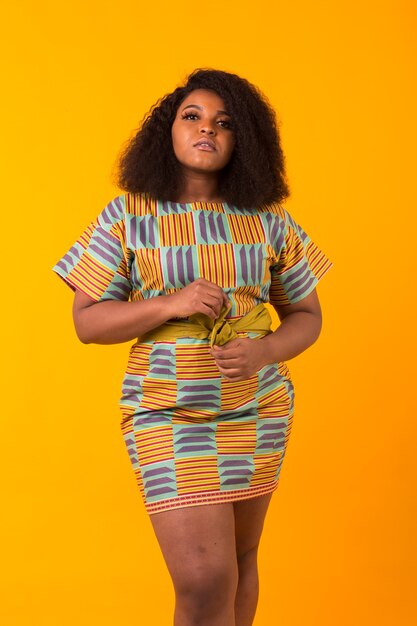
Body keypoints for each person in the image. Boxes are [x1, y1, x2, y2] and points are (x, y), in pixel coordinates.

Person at [52, 68, 332, 626]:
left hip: (257, 409)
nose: (208, 130)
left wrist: (265, 352)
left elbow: (307, 316)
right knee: (205, 581)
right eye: (193, 117)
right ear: (169, 131)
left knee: (240, 561)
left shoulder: (269, 221)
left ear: (244, 140)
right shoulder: (128, 215)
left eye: (225, 123)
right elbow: (87, 323)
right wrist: (168, 304)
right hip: (166, 410)